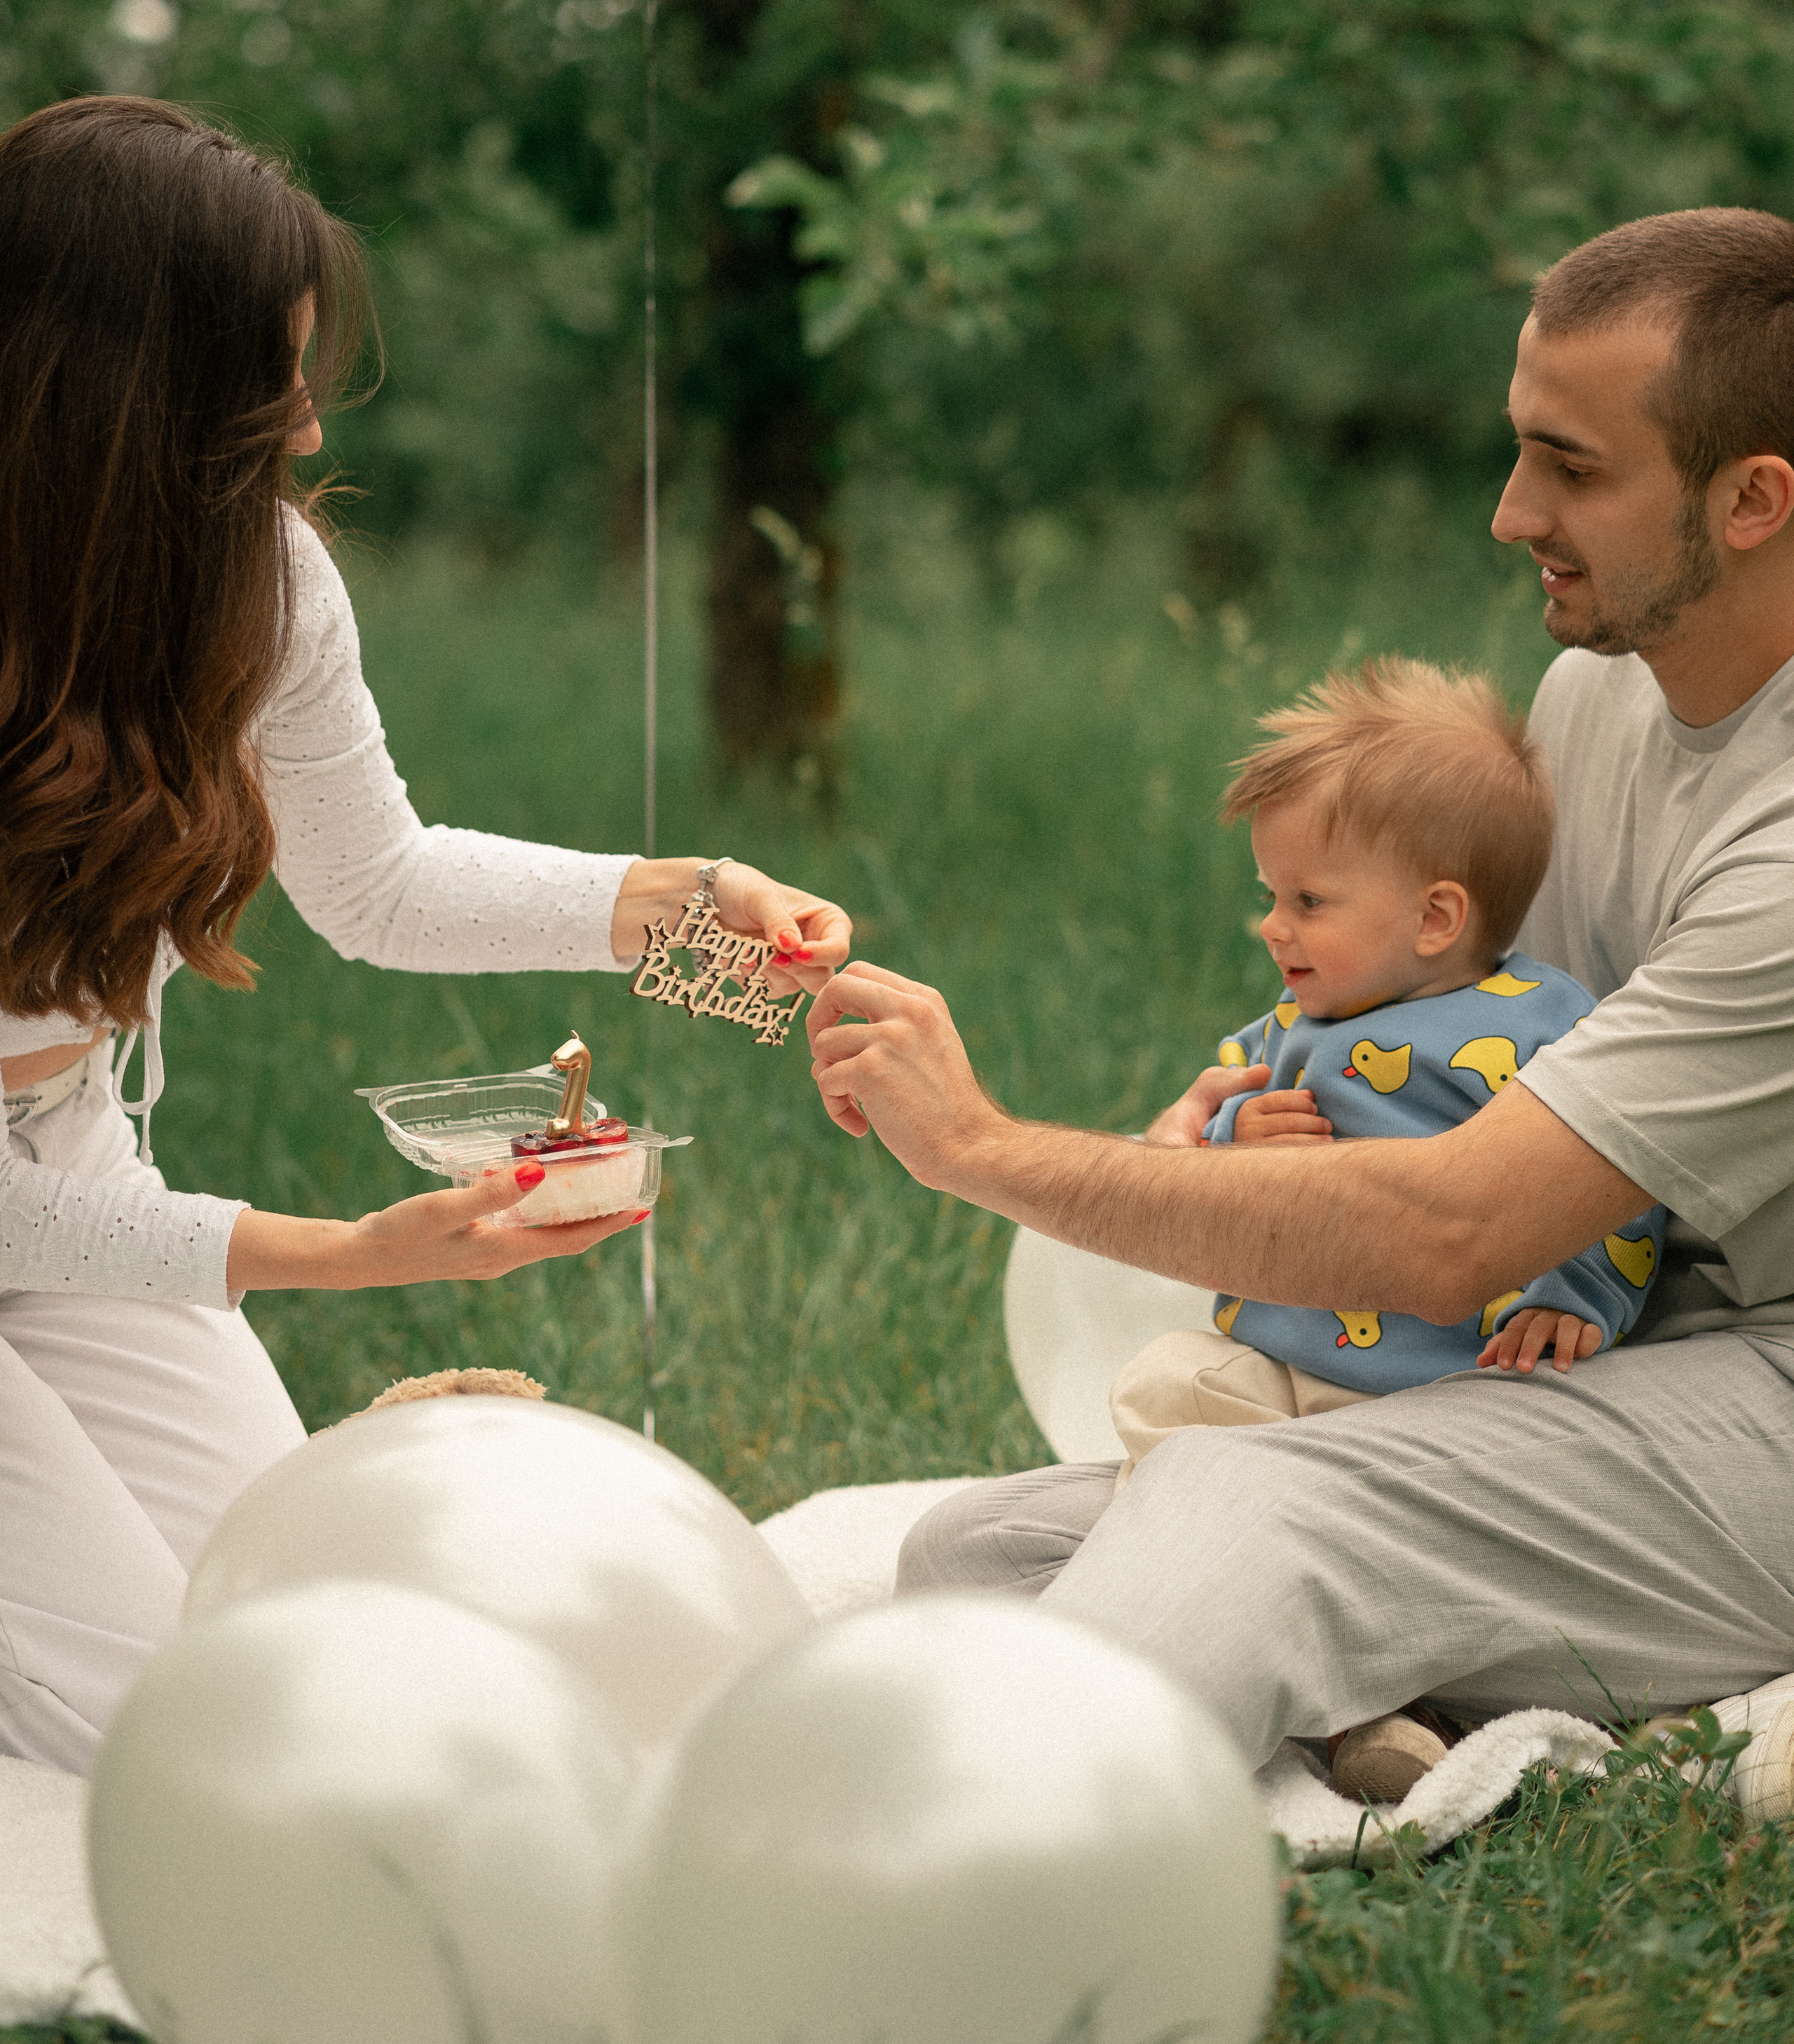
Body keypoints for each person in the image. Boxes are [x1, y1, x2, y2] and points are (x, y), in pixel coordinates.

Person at [809, 206, 1794, 1822]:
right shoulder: (1593, 693)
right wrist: (1284, 1113)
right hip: (1610, 1347)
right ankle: (1372, 1695)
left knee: (1249, 1512)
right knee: (979, 1554)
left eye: (1568, 467)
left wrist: (977, 1147)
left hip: (1761, 1394)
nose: (1508, 513)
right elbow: (1485, 1056)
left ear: (1750, 499)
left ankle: (938, 1872)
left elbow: (1449, 1231)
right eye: (1515, 450)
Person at [0, 93, 850, 1774]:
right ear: (111, 397)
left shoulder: (257, 580)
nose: (309, 430)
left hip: (69, 1157)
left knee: (285, 1627)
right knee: (160, 1731)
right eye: (266, 388)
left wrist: (686, 906)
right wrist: (347, 1252)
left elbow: (378, 884)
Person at [1102, 655, 1660, 1801]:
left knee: (1314, 1507)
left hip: (1451, 1399)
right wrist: (1234, 1143)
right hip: (1288, 1379)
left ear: (1437, 915)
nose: (1274, 928)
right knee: (1166, 1387)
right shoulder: (1289, 1027)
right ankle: (1335, 1685)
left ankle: (1364, 1679)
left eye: (1308, 901)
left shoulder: (1544, 1026)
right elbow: (1205, 1137)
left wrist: (1577, 1295)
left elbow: (1622, 1177)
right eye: (1271, 896)